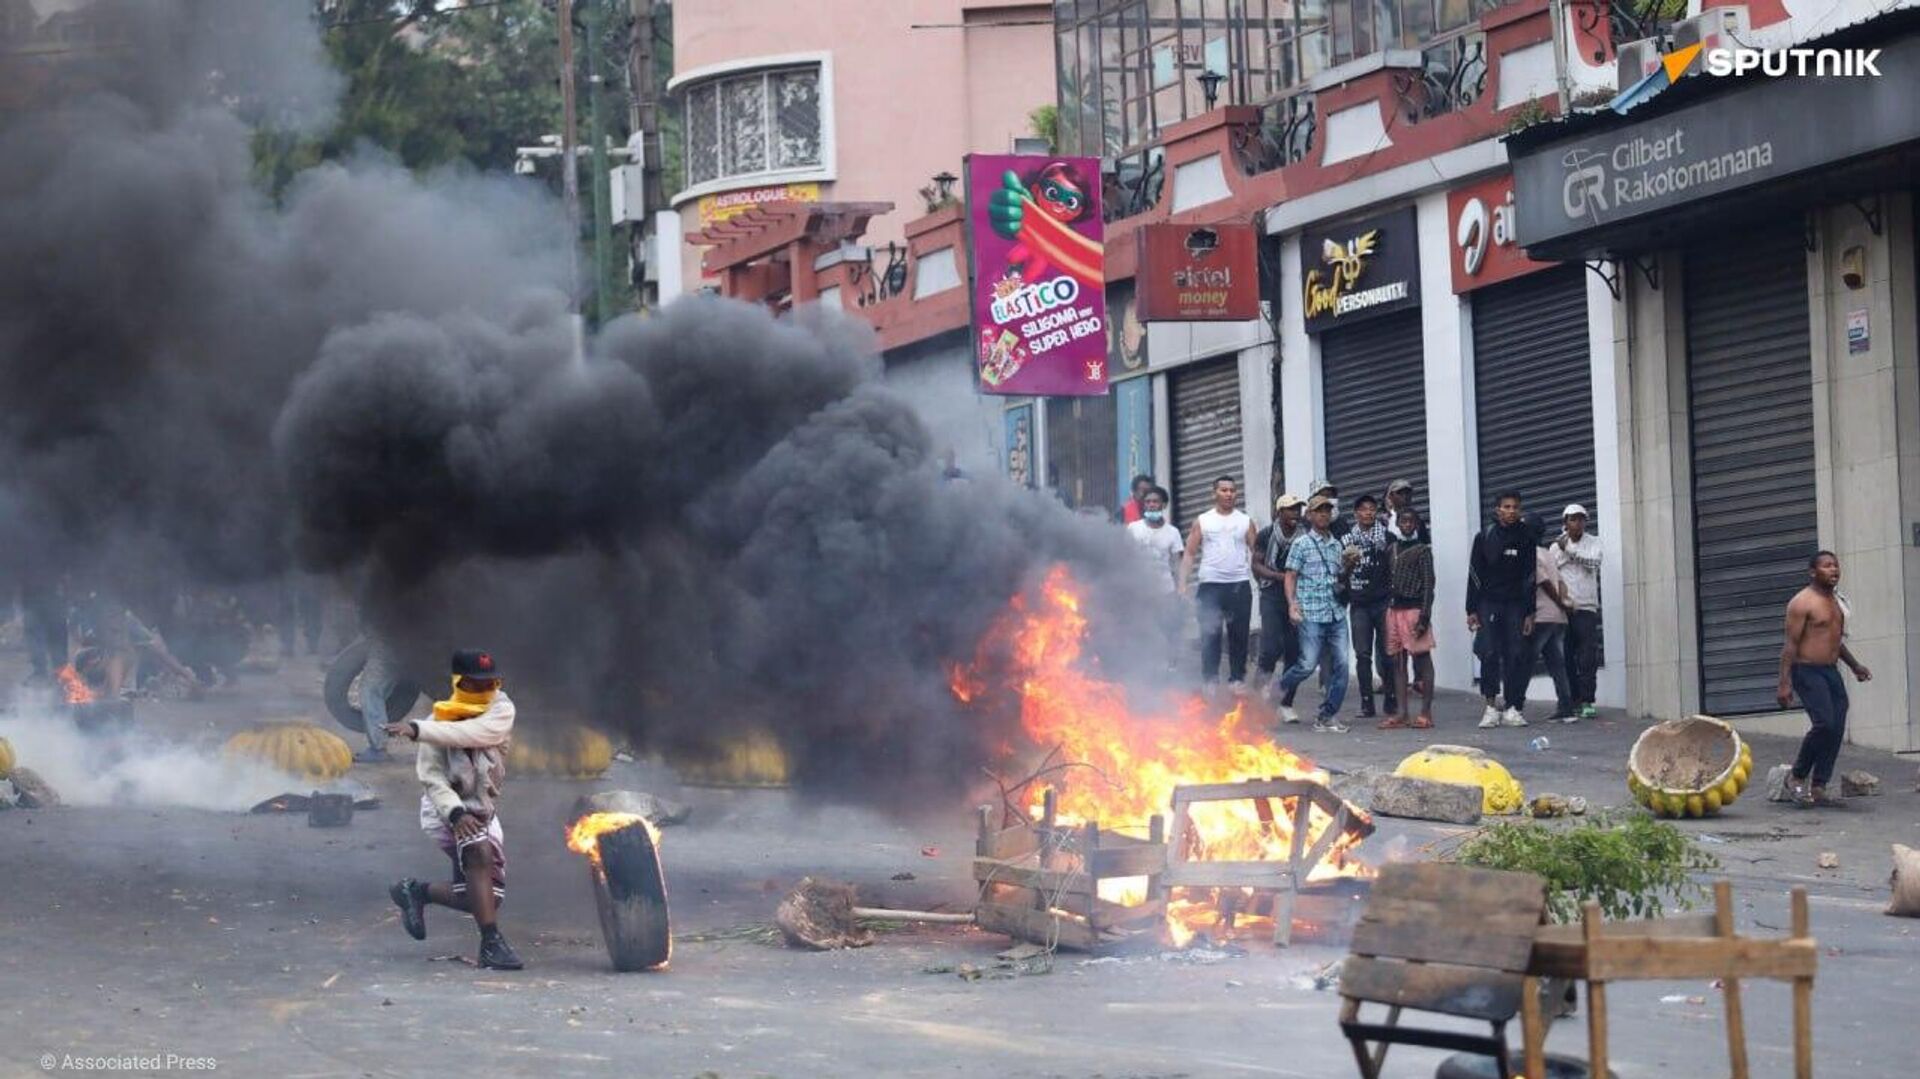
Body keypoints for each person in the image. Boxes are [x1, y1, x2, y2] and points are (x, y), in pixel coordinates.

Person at [386, 649, 524, 970]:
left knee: (488, 898)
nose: (486, 691)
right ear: (459, 683)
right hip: (445, 810)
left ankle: (416, 891)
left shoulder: (501, 710)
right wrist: (456, 814)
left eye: (492, 683)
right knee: (477, 852)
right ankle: (491, 943)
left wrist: (418, 730)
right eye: (477, 684)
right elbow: (432, 779)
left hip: (484, 810)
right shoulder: (436, 722)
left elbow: (472, 734)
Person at [1776, 552, 1872, 807]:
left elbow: (1834, 641)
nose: (1833, 570)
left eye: (1836, 565)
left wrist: (1855, 666)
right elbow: (1790, 645)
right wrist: (1784, 683)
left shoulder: (1836, 602)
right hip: (1806, 671)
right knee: (1825, 724)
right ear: (1813, 572)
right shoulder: (1802, 602)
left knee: (1837, 726)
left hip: (1830, 672)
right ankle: (1796, 777)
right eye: (1826, 566)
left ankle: (1819, 785)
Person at [1273, 494, 1354, 733]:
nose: (1324, 514)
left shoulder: (1337, 545)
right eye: (1319, 511)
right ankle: (1273, 693)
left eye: (1327, 510)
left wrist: (1348, 567)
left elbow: (1340, 577)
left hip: (1336, 612)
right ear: (1309, 515)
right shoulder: (1301, 544)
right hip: (1311, 612)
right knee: (1307, 665)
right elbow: (1290, 575)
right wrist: (1292, 604)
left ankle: (1327, 715)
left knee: (1341, 666)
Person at [1466, 492, 1538, 728]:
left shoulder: (1526, 538)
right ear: (1497, 509)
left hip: (1516, 604)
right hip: (1488, 602)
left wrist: (1530, 612)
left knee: (1516, 654)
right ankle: (1490, 707)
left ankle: (1513, 707)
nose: (1511, 511)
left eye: (1515, 507)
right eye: (1506, 506)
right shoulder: (1485, 537)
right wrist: (1471, 609)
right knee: (1488, 652)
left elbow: (1530, 577)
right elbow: (1474, 574)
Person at [1180, 476, 1257, 694]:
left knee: (1239, 635)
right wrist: (1182, 584)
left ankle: (1237, 680)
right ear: (1214, 493)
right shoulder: (1203, 521)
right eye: (1223, 490)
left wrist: (1263, 581)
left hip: (1239, 585)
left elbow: (1257, 553)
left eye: (1232, 490)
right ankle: (1210, 681)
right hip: (1210, 586)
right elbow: (1189, 554)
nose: (1228, 494)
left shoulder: (1245, 521)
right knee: (1210, 635)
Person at [1340, 494, 1397, 720]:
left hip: (1382, 602)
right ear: (1356, 513)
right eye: (1363, 509)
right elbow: (1340, 574)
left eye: (1372, 509)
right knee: (1362, 654)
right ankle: (1366, 703)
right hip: (1358, 604)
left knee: (1387, 652)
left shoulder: (1387, 538)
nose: (1368, 513)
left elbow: (1394, 567)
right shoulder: (1346, 540)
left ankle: (1391, 699)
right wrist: (1348, 565)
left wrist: (1393, 596)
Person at [1382, 507, 1436, 729]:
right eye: (1402, 521)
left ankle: (1425, 712)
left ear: (1416, 524)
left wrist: (1424, 615)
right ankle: (1402, 712)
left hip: (1414, 610)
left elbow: (1428, 584)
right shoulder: (1392, 549)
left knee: (1422, 660)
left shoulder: (1422, 550)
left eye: (1410, 521)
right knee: (1398, 662)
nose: (1406, 525)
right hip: (1394, 610)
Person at [1553, 505, 1602, 720]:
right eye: (1573, 519)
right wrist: (1565, 551)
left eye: (1581, 519)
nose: (1577, 523)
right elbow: (1551, 571)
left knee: (1587, 656)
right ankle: (1572, 700)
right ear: (1565, 522)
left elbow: (1594, 562)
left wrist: (1570, 552)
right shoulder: (1556, 546)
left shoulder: (1594, 542)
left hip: (1587, 607)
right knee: (1566, 657)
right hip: (1564, 609)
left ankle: (1588, 700)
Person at [1252, 494, 1305, 686]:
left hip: (1297, 596)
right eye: (1291, 509)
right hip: (1272, 596)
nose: (1296, 513)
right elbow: (1256, 565)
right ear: (1279, 512)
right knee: (1271, 649)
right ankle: (1257, 696)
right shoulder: (1266, 534)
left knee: (1294, 650)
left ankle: (1285, 701)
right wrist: (1279, 578)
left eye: (1298, 509)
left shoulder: (1305, 536)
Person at [1529, 539, 1576, 722]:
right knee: (1557, 664)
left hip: (1542, 615)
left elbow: (1545, 582)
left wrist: (1558, 601)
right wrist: (1564, 603)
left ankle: (1514, 704)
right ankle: (1566, 707)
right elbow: (1561, 582)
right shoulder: (1548, 553)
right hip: (1558, 617)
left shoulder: (1531, 553)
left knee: (1526, 661)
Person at [1382, 478, 1431, 543]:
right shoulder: (1385, 521)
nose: (1404, 496)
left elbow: (1425, 543)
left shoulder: (1417, 520)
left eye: (1407, 493)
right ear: (1390, 496)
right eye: (1399, 493)